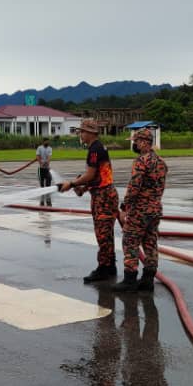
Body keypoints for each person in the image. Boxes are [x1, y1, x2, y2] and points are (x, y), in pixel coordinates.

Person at [58, 118, 119, 283]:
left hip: (103, 197)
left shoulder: (94, 149)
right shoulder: (97, 147)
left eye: (82, 131)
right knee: (106, 233)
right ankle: (110, 266)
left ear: (91, 132)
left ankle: (104, 269)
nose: (80, 134)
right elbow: (98, 176)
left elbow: (91, 175)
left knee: (102, 233)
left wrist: (71, 184)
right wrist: (84, 188)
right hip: (104, 194)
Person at [111, 127, 167, 293]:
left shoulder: (141, 161)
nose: (134, 144)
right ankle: (148, 279)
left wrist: (124, 207)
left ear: (144, 142)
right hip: (155, 209)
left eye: (136, 141)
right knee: (150, 243)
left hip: (140, 210)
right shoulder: (161, 162)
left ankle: (130, 278)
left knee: (130, 241)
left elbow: (134, 186)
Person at [36, 136, 53, 206]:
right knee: (42, 184)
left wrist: (46, 163)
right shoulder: (39, 148)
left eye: (48, 141)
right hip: (41, 169)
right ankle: (42, 200)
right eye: (46, 141)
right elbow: (37, 156)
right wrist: (41, 163)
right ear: (43, 142)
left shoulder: (50, 148)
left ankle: (48, 198)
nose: (48, 142)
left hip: (47, 168)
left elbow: (49, 157)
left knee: (49, 179)